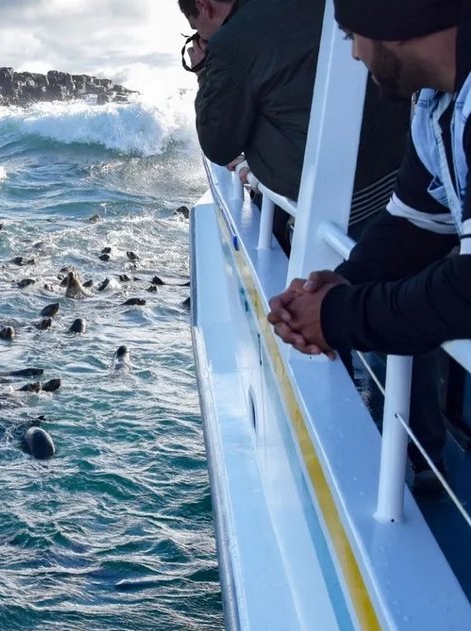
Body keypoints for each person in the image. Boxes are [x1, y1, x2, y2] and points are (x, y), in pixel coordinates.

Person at [267, 0, 466, 491]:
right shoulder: (435, 104)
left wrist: (337, 317)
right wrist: (347, 279)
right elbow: (416, 221)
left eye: (353, 33)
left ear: (392, 25)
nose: (354, 54)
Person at [180, 0, 410, 248]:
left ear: (204, 6)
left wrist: (204, 72)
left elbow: (218, 146)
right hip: (400, 169)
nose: (202, 37)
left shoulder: (230, 44)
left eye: (197, 28)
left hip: (338, 204)